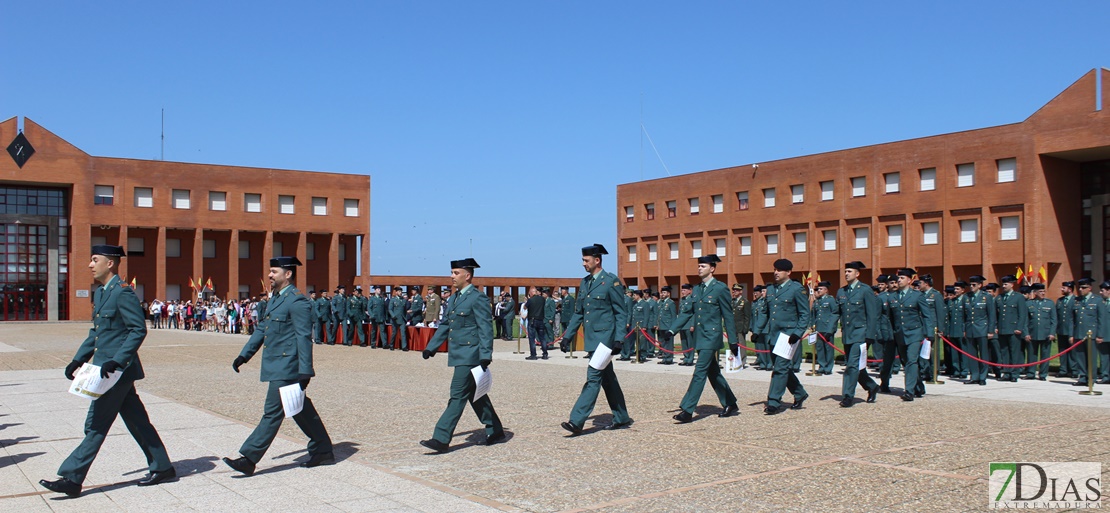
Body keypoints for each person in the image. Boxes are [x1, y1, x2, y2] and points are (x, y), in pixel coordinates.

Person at [40, 245, 176, 497]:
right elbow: (97, 332)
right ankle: (163, 467)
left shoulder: (123, 293)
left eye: (95, 260)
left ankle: (72, 477)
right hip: (106, 368)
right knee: (137, 421)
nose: (90, 265)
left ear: (110, 263)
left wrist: (118, 360)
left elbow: (138, 329)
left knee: (96, 424)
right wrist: (78, 359)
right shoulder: (102, 292)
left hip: (115, 372)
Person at [224, 256, 333, 476]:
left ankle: (249, 458)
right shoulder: (275, 300)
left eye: (274, 271)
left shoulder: (297, 301)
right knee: (299, 407)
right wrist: (244, 355)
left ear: (288, 274)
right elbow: (262, 329)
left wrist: (305, 370)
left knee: (272, 412)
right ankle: (322, 449)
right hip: (277, 363)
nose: (270, 275)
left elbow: (304, 337)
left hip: (288, 365)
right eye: (270, 271)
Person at [419, 259, 505, 453]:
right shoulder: (454, 298)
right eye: (451, 272)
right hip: (459, 353)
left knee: (457, 394)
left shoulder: (478, 298)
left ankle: (441, 438)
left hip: (471, 354)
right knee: (476, 395)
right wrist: (431, 347)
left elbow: (485, 328)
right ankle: (496, 430)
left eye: (456, 273)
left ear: (467, 275)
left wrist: (485, 354)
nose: (452, 276)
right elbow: (446, 324)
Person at [558, 244, 632, 434]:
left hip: (605, 339)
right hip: (592, 339)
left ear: (597, 260)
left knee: (593, 378)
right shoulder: (585, 282)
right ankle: (622, 416)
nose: (583, 263)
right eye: (583, 260)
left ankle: (576, 420)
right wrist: (568, 337)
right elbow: (579, 313)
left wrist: (619, 339)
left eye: (586, 260)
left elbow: (620, 312)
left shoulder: (611, 282)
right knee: (608, 380)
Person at [669, 254, 739, 422]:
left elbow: (728, 316)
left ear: (712, 269)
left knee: (699, 371)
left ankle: (687, 409)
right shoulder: (698, 289)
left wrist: (733, 340)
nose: (699, 268)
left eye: (703, 266)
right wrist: (672, 330)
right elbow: (687, 312)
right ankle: (730, 402)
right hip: (700, 337)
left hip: (712, 336)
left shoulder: (720, 288)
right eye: (699, 266)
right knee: (713, 373)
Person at [763, 258, 810, 415]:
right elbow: (766, 312)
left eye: (779, 270)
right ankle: (799, 393)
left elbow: (805, 314)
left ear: (788, 272)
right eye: (774, 269)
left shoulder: (796, 289)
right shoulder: (770, 289)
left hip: (788, 335)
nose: (776, 272)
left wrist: (798, 332)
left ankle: (773, 401)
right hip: (774, 334)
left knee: (780, 368)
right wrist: (757, 330)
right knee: (783, 369)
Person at [835, 261, 880, 407]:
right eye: (845, 271)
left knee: (851, 365)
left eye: (849, 271)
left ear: (857, 273)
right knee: (856, 366)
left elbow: (872, 315)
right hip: (848, 333)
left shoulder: (865, 290)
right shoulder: (842, 291)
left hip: (861, 333)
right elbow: (838, 313)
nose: (846, 274)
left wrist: (870, 336)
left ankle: (848, 396)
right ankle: (871, 386)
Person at [887, 268, 936, 401]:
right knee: (906, 361)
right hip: (900, 334)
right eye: (898, 278)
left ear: (909, 280)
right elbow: (890, 318)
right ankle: (918, 386)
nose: (899, 280)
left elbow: (926, 315)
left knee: (912, 360)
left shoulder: (917, 295)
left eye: (902, 278)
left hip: (915, 332)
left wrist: (929, 333)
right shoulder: (892, 296)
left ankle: (909, 391)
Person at [995, 275, 1027, 382]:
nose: (1003, 286)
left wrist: (1019, 328)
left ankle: (1014, 373)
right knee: (1004, 352)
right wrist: (996, 327)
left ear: (1012, 285)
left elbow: (1022, 314)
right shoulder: (999, 297)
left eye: (1006, 284)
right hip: (1002, 329)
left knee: (1014, 352)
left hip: (1014, 329)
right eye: (1003, 284)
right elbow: (996, 315)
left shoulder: (1018, 297)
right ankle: (1007, 373)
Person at [1024, 283, 1056, 381]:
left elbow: (1054, 320)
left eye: (1043, 291)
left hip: (1046, 333)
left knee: (1045, 354)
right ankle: (1030, 373)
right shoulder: (1029, 303)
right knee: (1031, 354)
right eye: (1040, 291)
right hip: (1033, 333)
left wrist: (1052, 333)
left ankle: (1043, 374)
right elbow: (1025, 320)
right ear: (1035, 292)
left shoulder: (1050, 303)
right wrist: (1026, 333)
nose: (1042, 293)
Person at [811, 281, 838, 375]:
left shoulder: (830, 300)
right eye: (818, 289)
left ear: (826, 290)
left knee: (828, 348)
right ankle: (822, 365)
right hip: (818, 328)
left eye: (821, 289)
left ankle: (828, 367)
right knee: (820, 348)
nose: (818, 290)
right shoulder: (817, 301)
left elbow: (834, 314)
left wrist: (831, 328)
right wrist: (812, 325)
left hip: (827, 328)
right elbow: (813, 315)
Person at [1056, 281, 1077, 378]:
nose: (1061, 289)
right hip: (1061, 330)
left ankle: (1073, 370)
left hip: (1071, 330)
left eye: (1063, 288)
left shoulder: (1076, 300)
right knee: (1062, 351)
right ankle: (1063, 369)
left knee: (1073, 351)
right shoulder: (1060, 300)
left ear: (1070, 289)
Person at [730, 284, 751, 369]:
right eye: (733, 290)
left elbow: (747, 316)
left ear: (741, 291)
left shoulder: (745, 302)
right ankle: (734, 359)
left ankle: (742, 361)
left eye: (736, 290)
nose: (734, 291)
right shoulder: (732, 301)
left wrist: (745, 328)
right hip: (732, 327)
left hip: (740, 327)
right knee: (732, 343)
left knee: (741, 344)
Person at [655, 286, 677, 365]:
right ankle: (664, 357)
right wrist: (657, 324)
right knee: (663, 343)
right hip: (661, 326)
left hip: (668, 326)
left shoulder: (671, 303)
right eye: (662, 293)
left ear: (668, 293)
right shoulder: (661, 302)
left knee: (669, 343)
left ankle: (669, 358)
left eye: (664, 293)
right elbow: (659, 315)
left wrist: (673, 328)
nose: (662, 294)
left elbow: (673, 316)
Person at [751, 285, 770, 370]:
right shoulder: (758, 302)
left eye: (764, 291)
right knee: (760, 347)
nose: (762, 293)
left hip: (767, 328)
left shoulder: (769, 302)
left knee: (768, 347)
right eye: (761, 291)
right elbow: (753, 316)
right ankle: (763, 363)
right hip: (758, 328)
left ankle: (769, 364)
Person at [525, 287, 548, 360]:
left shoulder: (530, 300)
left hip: (532, 320)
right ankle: (545, 354)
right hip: (541, 320)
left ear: (531, 293)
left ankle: (533, 355)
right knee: (542, 338)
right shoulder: (542, 299)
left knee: (532, 338)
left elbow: (525, 307)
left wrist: (528, 299)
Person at [678, 284, 697, 366]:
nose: (682, 292)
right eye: (682, 290)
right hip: (682, 324)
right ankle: (685, 358)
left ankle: (690, 359)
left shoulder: (692, 300)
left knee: (690, 342)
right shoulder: (682, 300)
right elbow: (680, 313)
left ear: (690, 291)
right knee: (684, 342)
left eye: (684, 290)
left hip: (689, 324)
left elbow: (694, 314)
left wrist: (692, 325)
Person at [559, 286, 576, 350]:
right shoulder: (564, 299)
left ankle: (570, 347)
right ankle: (565, 346)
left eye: (562, 290)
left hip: (568, 319)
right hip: (564, 318)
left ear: (566, 290)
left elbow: (572, 310)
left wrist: (571, 319)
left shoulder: (570, 299)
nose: (561, 292)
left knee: (569, 333)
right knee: (564, 333)